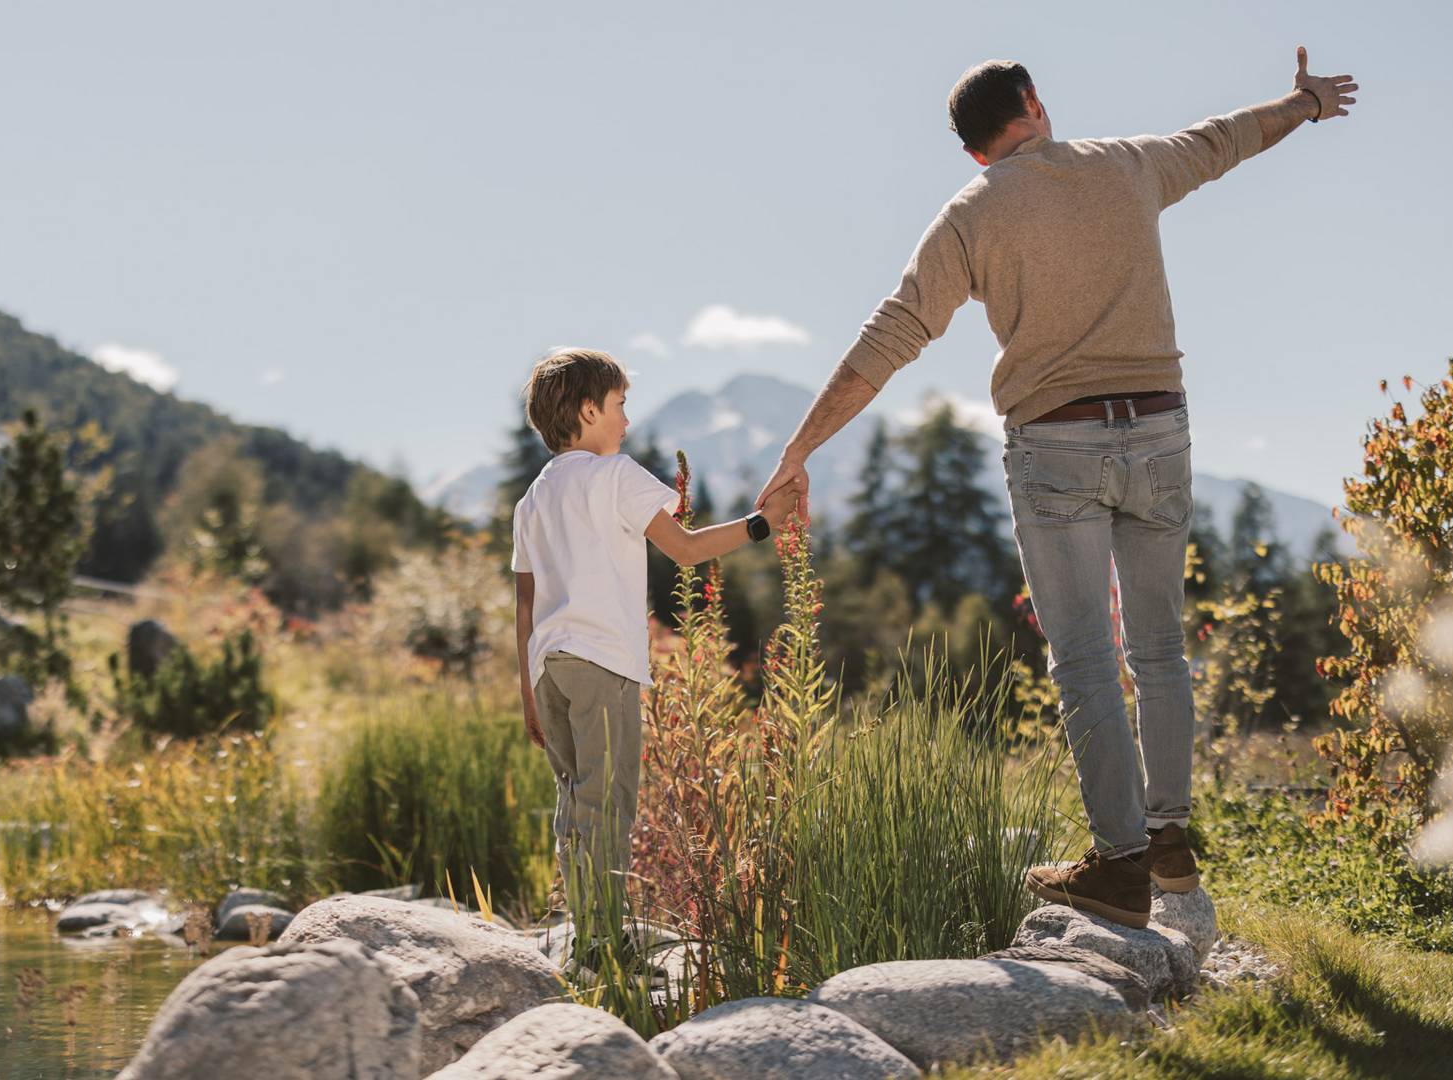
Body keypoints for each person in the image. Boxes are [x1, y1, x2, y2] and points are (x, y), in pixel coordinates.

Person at [754, 48, 1359, 927]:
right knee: (1159, 650)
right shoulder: (1129, 164)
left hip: (1055, 446)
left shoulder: (970, 213)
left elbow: (889, 336)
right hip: (1158, 429)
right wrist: (1302, 103)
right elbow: (1223, 139)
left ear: (973, 151)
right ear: (1034, 106)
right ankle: (1171, 839)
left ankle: (1120, 867)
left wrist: (798, 451)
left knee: (1083, 658)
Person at [511, 346, 799, 948]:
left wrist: (526, 692)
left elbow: (525, 602)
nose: (626, 420)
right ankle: (599, 943)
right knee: (608, 802)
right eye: (619, 405)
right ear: (589, 410)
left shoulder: (532, 498)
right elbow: (687, 549)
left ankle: (581, 931)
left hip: (549, 667)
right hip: (603, 661)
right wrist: (760, 523)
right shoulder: (614, 476)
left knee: (574, 802)